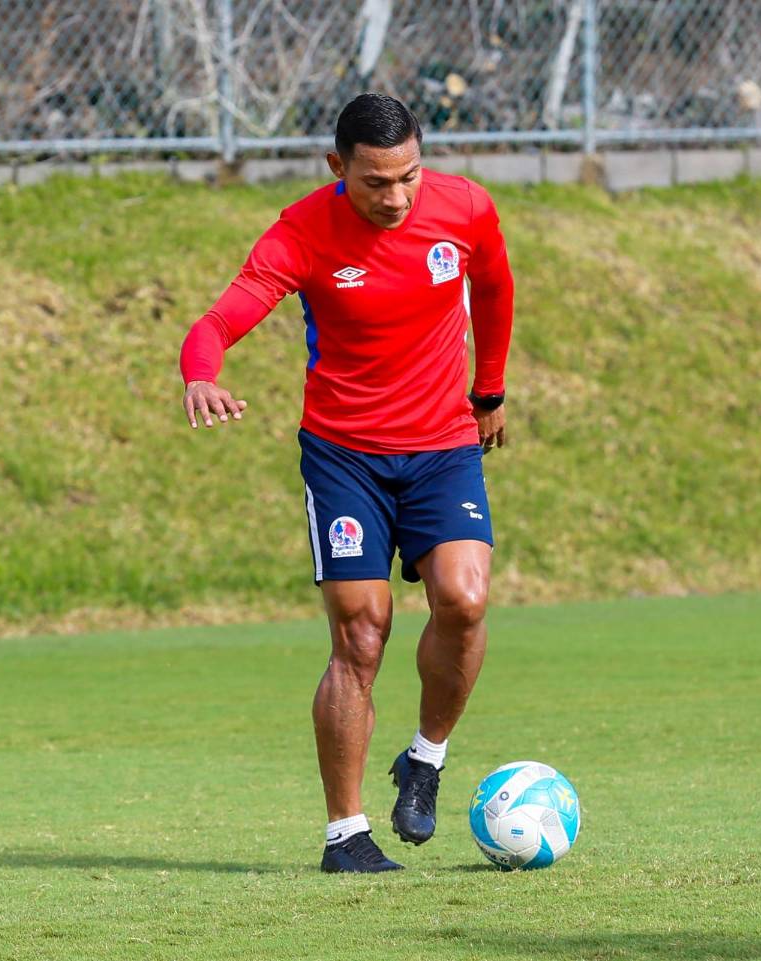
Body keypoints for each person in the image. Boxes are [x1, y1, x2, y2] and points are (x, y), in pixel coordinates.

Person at [179, 93, 514, 873]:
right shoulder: (302, 232)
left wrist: (490, 389)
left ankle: (425, 757)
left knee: (465, 599)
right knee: (361, 635)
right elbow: (219, 321)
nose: (396, 197)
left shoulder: (465, 207)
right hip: (345, 457)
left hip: (442, 446)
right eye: (375, 182)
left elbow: (496, 288)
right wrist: (201, 374)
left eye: (409, 176)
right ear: (338, 166)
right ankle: (346, 835)